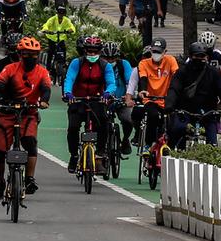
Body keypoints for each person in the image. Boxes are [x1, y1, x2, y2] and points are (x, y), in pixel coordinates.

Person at [0, 37, 53, 199]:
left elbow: (46, 89)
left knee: (30, 142)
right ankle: (0, 181)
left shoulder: (42, 72)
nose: (30, 58)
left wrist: (44, 101)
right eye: (26, 54)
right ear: (19, 54)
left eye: (33, 55)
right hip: (7, 112)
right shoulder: (9, 69)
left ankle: (29, 178)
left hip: (28, 113)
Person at [62, 36, 118, 173]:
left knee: (103, 123)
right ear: (85, 51)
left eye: (95, 51)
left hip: (97, 100)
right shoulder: (77, 63)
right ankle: (74, 155)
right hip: (78, 100)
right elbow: (69, 78)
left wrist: (107, 93)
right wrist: (68, 93)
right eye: (89, 51)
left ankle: (99, 153)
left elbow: (111, 83)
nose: (92, 54)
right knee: (73, 128)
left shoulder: (106, 66)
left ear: (99, 52)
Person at [164, 42, 221, 146]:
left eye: (202, 56)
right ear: (190, 56)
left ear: (207, 56)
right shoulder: (182, 72)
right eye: (196, 56)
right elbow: (174, 89)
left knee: (212, 143)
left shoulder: (214, 72)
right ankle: (174, 155)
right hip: (185, 111)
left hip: (207, 113)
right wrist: (169, 104)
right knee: (177, 132)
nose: (199, 58)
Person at [129, 37, 179, 153]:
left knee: (173, 121)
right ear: (151, 51)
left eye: (159, 52)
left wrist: (177, 92)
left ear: (165, 52)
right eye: (154, 51)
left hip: (167, 99)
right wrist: (144, 91)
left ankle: (172, 146)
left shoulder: (170, 60)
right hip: (151, 99)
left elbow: (176, 77)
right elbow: (143, 78)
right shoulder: (144, 63)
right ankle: (148, 143)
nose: (156, 54)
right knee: (153, 116)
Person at [102, 41, 136, 154]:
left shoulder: (124, 64)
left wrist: (128, 97)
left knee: (128, 119)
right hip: (105, 100)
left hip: (121, 99)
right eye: (107, 58)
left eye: (113, 58)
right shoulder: (100, 65)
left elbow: (130, 82)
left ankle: (125, 140)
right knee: (101, 120)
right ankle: (101, 145)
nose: (110, 61)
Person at [40, 5, 76, 72]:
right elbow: (46, 25)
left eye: (62, 13)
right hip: (52, 38)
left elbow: (72, 27)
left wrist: (70, 30)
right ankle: (48, 69)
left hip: (61, 38)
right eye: (59, 13)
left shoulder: (66, 20)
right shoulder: (52, 19)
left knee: (63, 50)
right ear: (57, 13)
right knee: (51, 52)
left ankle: (63, 64)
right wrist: (46, 30)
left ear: (64, 14)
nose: (61, 15)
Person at [0, 33, 22, 99]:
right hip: (5, 97)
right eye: (13, 49)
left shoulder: (29, 64)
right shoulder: (0, 64)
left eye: (18, 49)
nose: (15, 52)